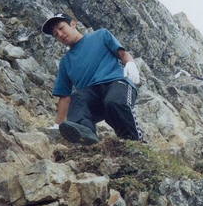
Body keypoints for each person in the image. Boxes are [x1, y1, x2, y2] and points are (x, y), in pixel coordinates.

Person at [42, 13, 143, 144]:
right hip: (93, 96)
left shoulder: (101, 35)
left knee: (113, 102)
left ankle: (134, 142)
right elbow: (64, 96)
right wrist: (58, 124)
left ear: (73, 24)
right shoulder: (65, 61)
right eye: (55, 34)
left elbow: (122, 53)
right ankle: (86, 135)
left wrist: (130, 64)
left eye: (61, 28)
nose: (60, 34)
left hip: (116, 83)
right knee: (77, 98)